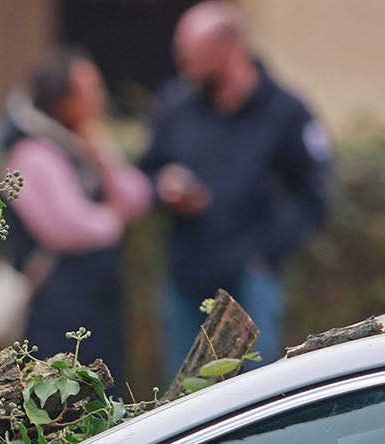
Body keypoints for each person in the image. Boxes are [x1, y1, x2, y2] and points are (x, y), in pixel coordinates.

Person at [139, 1, 332, 383]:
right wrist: (164, 188)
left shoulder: (285, 111)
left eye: (190, 54)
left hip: (250, 282)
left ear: (226, 48)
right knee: (185, 396)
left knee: (255, 391)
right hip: (185, 276)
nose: (182, 64)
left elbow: (314, 195)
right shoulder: (175, 106)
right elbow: (147, 171)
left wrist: (263, 252)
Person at [1, 48, 151, 381]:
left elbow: (137, 197)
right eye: (90, 90)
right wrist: (113, 220)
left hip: (99, 303)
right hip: (57, 306)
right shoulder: (31, 153)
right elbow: (64, 226)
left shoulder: (82, 143)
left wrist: (105, 156)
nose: (100, 98)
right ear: (62, 100)